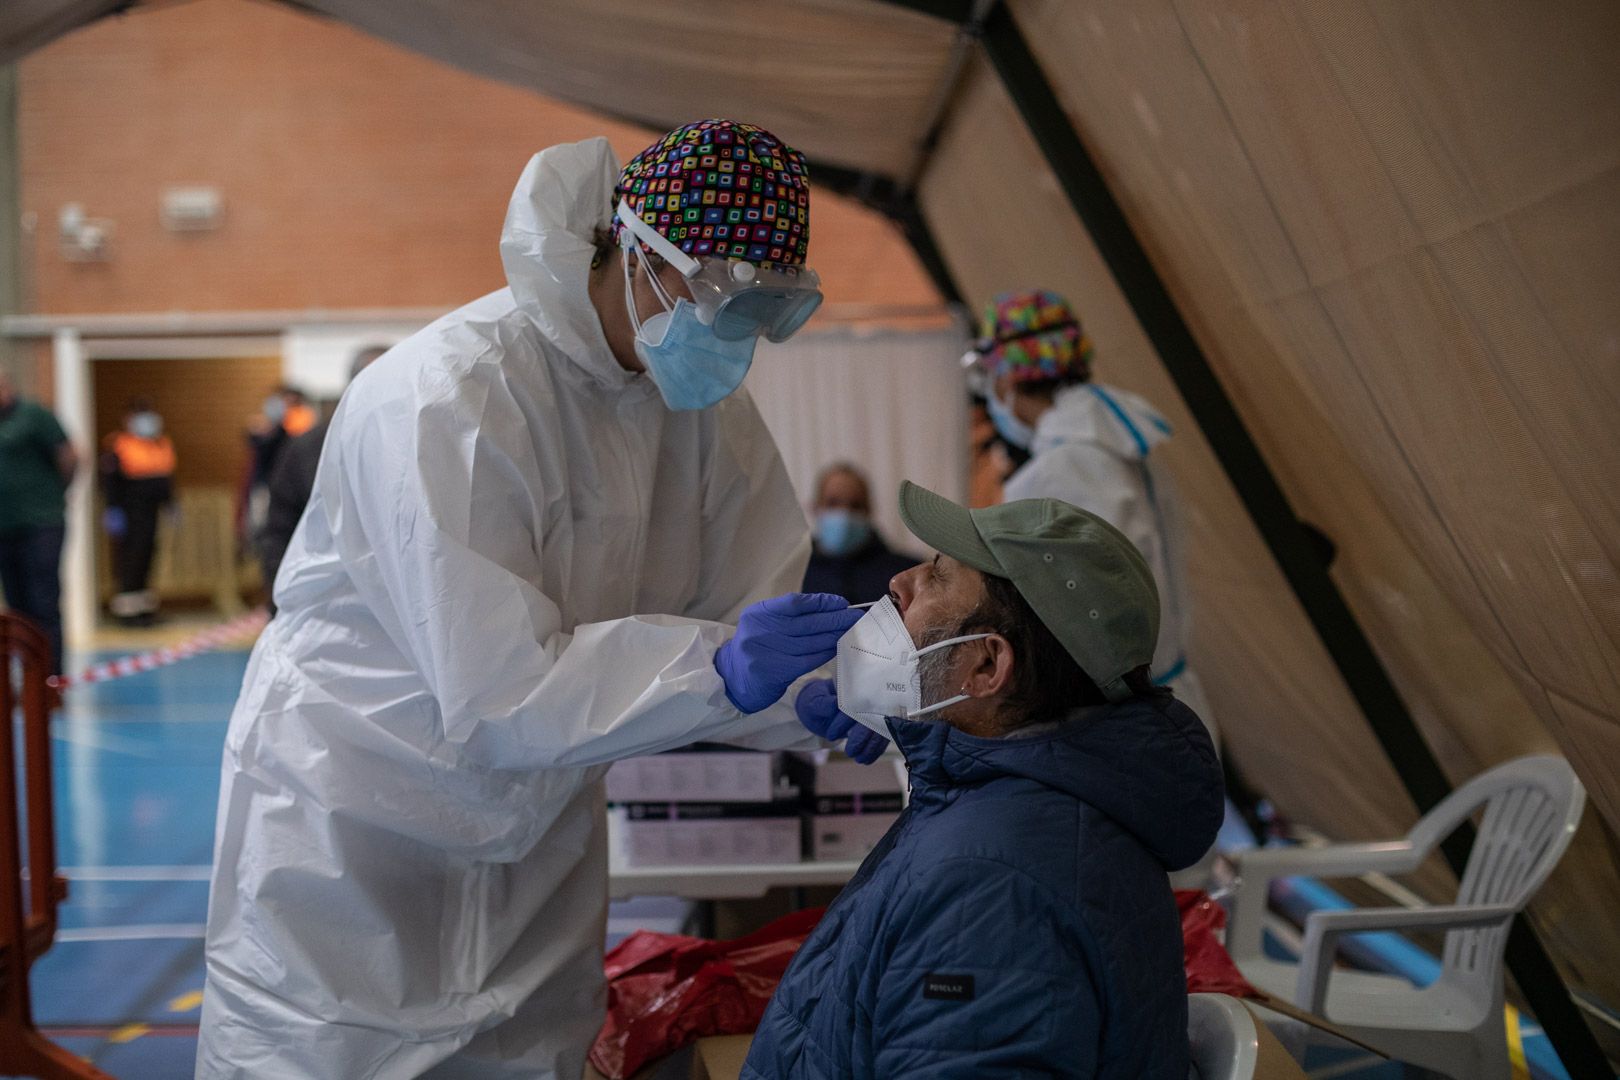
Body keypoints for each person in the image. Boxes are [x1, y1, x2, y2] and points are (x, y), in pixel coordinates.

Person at [199, 120, 852, 1080]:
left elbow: (745, 623)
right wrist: (720, 672)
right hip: (354, 827)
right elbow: (502, 693)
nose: (738, 335)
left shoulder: (706, 416)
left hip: (537, 833)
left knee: (530, 1053)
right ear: (637, 251)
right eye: (724, 297)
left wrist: (830, 691)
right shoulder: (449, 398)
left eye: (765, 309)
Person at [750, 482, 1224, 1079]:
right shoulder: (1012, 810)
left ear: (985, 665)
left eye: (938, 577)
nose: (900, 582)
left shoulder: (989, 887)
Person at [969, 287, 1216, 742]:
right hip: (1173, 710)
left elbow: (1069, 623)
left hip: (1122, 728)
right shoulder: (1128, 450)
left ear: (1006, 376)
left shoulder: (1059, 472)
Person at [257, 345, 387, 610]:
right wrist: (281, 601)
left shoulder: (420, 445)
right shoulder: (311, 448)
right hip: (326, 602)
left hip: (394, 605)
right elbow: (280, 527)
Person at [0, 368, 78, 673]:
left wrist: (52, 497)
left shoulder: (35, 416)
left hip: (41, 524)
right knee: (17, 608)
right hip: (5, 528)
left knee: (43, 602)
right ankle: (26, 682)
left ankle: (50, 681)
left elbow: (70, 458)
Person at [100, 398, 177, 626]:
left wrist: (171, 504)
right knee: (130, 562)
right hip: (130, 513)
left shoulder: (160, 443)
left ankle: (144, 611)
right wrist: (113, 509)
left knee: (148, 558)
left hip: (152, 513)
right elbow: (109, 482)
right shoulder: (119, 445)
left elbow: (165, 480)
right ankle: (126, 613)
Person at [801, 462, 915, 604]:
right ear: (815, 508)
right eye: (833, 503)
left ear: (868, 511)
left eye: (855, 505)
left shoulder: (905, 574)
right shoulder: (795, 573)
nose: (844, 512)